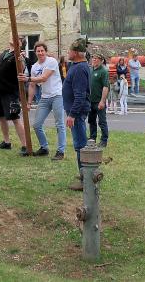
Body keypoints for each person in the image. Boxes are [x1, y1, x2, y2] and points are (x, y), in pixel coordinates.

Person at [21, 42, 66, 160]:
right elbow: (32, 85)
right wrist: (29, 102)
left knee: (59, 124)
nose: (40, 53)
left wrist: (28, 78)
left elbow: (44, 78)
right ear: (35, 52)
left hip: (57, 95)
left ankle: (60, 151)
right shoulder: (35, 66)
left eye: (42, 51)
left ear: (45, 51)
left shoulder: (51, 61)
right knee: (37, 125)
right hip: (44, 98)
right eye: (38, 51)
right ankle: (44, 148)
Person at [0, 41, 29, 153]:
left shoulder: (18, 55)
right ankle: (6, 142)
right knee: (1, 116)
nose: (12, 37)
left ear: (20, 43)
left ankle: (25, 145)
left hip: (9, 91)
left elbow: (21, 69)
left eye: (16, 37)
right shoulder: (5, 52)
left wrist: (21, 59)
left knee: (14, 117)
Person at [63, 38, 92, 191]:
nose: (68, 53)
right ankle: (84, 175)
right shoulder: (78, 66)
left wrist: (72, 114)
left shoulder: (80, 69)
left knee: (81, 146)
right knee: (80, 144)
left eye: (69, 51)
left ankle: (85, 180)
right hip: (76, 111)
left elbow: (80, 95)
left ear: (75, 53)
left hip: (77, 112)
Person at [88, 52, 110, 148]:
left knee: (102, 121)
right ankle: (92, 137)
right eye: (93, 58)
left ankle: (104, 140)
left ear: (101, 61)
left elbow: (105, 87)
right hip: (90, 101)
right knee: (91, 120)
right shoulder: (91, 70)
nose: (94, 60)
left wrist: (102, 101)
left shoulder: (103, 71)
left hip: (98, 101)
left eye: (96, 58)